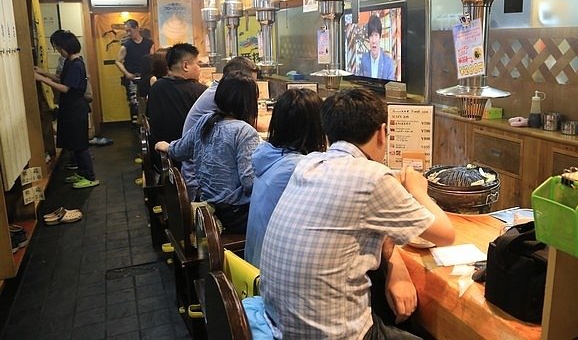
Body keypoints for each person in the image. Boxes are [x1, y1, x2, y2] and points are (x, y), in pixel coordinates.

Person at [260, 88, 455, 339]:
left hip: (281, 325)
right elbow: (446, 235)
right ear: (382, 133)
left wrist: (396, 265)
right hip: (333, 334)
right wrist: (419, 191)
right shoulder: (372, 177)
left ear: (328, 134)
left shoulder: (309, 164)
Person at [155, 71, 260, 233]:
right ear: (248, 102)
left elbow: (180, 151)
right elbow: (250, 184)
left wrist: (168, 147)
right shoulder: (244, 131)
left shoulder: (206, 120)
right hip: (232, 214)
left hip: (207, 206)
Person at [244, 88, 326, 267]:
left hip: (253, 262)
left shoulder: (268, 154)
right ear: (315, 127)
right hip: (271, 272)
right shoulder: (298, 167)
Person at [181, 56, 265, 199]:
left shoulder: (218, 100)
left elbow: (178, 150)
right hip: (211, 192)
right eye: (251, 84)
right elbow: (249, 184)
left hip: (205, 187)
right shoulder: (241, 130)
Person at [34, 32, 99, 189]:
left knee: (80, 144)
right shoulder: (70, 62)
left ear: (64, 47)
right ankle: (82, 173)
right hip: (70, 108)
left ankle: (90, 177)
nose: (57, 50)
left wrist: (42, 79)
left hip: (76, 109)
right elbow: (61, 79)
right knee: (75, 143)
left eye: (57, 46)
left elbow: (66, 88)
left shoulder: (77, 64)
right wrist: (43, 72)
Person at [147, 43, 206, 151]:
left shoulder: (156, 87)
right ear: (185, 66)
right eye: (198, 64)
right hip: (187, 156)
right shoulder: (201, 91)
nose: (199, 69)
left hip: (160, 153)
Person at [115, 19, 154, 125]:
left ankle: (148, 123)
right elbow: (118, 61)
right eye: (126, 31)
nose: (128, 33)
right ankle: (135, 125)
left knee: (149, 100)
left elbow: (152, 59)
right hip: (133, 77)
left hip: (146, 77)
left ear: (137, 28)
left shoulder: (148, 43)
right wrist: (127, 73)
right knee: (134, 102)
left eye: (130, 30)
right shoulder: (126, 45)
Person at [360, 14, 396, 80]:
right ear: (368, 38)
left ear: (380, 37)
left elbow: (391, 88)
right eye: (371, 36)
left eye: (376, 35)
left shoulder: (388, 63)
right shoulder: (364, 59)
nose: (373, 40)